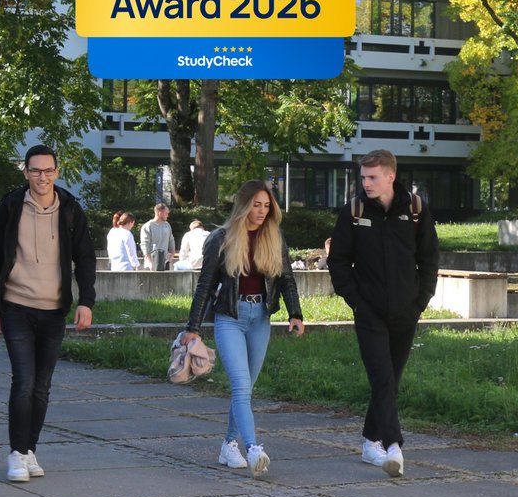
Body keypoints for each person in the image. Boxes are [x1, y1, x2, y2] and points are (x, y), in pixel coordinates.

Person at [0, 145, 96, 482]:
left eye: (48, 171)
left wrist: (86, 301)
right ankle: (17, 454)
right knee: (24, 381)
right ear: (26, 173)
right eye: (35, 170)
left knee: (42, 386)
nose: (42, 177)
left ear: (56, 172)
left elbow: (85, 258)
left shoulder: (70, 209)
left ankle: (30, 449)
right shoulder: (10, 206)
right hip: (16, 306)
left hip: (53, 310)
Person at [328, 150, 439, 478]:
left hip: (406, 312)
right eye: (363, 177)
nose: (366, 183)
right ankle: (393, 446)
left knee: (390, 381)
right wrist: (357, 303)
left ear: (391, 176)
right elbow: (338, 262)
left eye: (372, 177)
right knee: (383, 378)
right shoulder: (354, 211)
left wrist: (419, 303)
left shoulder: (416, 209)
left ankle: (369, 442)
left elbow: (429, 259)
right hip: (369, 313)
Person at [184, 180, 304, 477]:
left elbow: (286, 279)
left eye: (267, 206)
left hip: (260, 318)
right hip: (230, 317)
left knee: (246, 389)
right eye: (256, 205)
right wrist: (193, 328)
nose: (262, 211)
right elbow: (205, 285)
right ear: (244, 205)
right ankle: (253, 449)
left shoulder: (274, 237)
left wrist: (295, 313)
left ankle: (229, 445)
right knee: (240, 384)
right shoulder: (221, 238)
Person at [140, 203, 176, 270]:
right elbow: (145, 244)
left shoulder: (167, 225)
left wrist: (171, 255)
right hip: (151, 263)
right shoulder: (147, 226)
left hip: (165, 262)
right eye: (166, 213)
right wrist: (149, 262)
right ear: (159, 213)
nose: (167, 215)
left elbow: (171, 240)